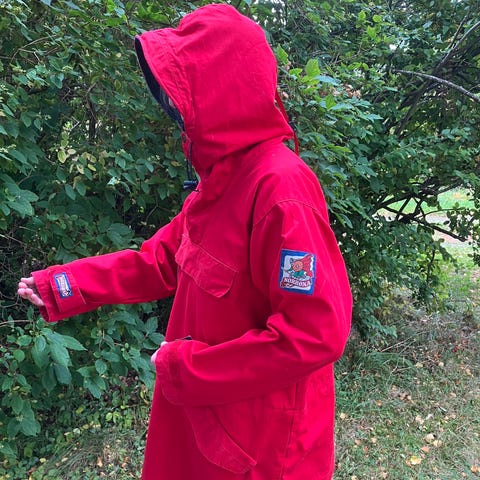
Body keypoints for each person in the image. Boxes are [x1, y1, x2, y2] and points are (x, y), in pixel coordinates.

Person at [18, 4, 352, 479]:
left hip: (259, 445)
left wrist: (188, 368)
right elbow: (158, 260)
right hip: (204, 423)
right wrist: (63, 285)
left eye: (185, 91)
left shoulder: (280, 191)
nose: (176, 110)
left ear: (223, 90)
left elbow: (313, 334)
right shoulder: (220, 182)